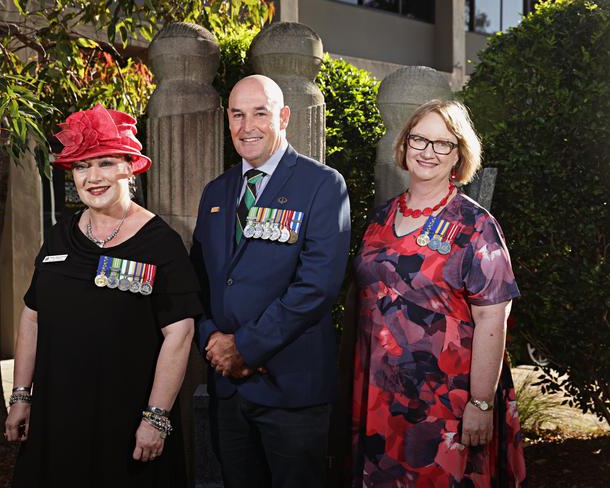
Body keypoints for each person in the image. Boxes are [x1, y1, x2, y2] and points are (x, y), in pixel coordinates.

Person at [4, 104, 202, 487]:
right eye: (81, 166)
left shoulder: (161, 244)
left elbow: (180, 334)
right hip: (57, 418)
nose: (93, 178)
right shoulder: (60, 235)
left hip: (127, 425)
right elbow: (32, 316)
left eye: (106, 163)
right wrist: (21, 396)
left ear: (130, 166)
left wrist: (155, 418)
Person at [351, 100, 526, 486]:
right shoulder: (380, 217)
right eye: (419, 139)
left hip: (445, 402)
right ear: (405, 145)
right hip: (378, 394)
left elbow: (492, 319)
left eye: (443, 143)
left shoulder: (476, 225)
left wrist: (480, 403)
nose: (428, 151)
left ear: (459, 155)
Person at [190, 75, 351, 488]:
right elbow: (200, 281)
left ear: (283, 117)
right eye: (237, 115)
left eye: (260, 113)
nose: (248, 127)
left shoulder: (321, 185)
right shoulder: (216, 192)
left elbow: (317, 286)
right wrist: (212, 340)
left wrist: (244, 347)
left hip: (291, 389)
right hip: (228, 387)